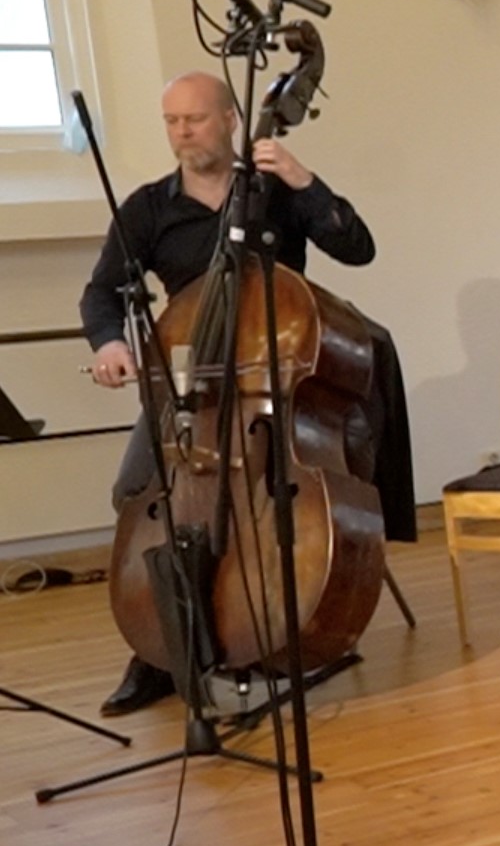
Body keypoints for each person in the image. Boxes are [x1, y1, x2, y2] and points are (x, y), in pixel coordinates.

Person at [78, 72, 377, 718]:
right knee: (137, 489)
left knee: (280, 500)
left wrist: (305, 180)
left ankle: (284, 623)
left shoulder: (275, 193)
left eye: (196, 119)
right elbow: (101, 293)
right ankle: (163, 652)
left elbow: (358, 249)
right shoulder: (150, 209)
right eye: (172, 122)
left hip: (275, 389)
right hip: (187, 391)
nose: (183, 133)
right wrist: (108, 343)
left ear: (231, 119)